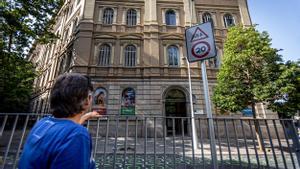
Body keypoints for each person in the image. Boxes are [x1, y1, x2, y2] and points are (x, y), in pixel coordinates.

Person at [19, 73, 101, 169]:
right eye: (90, 96)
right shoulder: (77, 135)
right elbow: (70, 134)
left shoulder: (43, 123)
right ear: (88, 101)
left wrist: (85, 116)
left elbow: (65, 130)